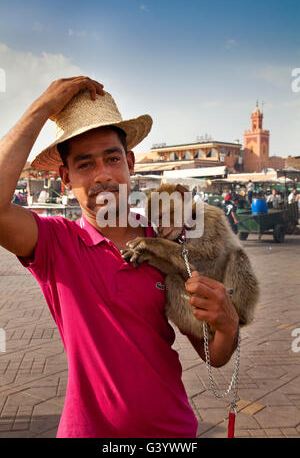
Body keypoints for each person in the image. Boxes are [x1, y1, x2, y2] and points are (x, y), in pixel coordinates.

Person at [0, 77, 239, 438]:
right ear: (65, 177)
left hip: (173, 433)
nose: (103, 175)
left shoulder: (171, 244)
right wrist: (41, 107)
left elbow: (214, 355)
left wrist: (228, 324)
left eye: (112, 158)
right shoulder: (56, 243)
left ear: (129, 162)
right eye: (84, 165)